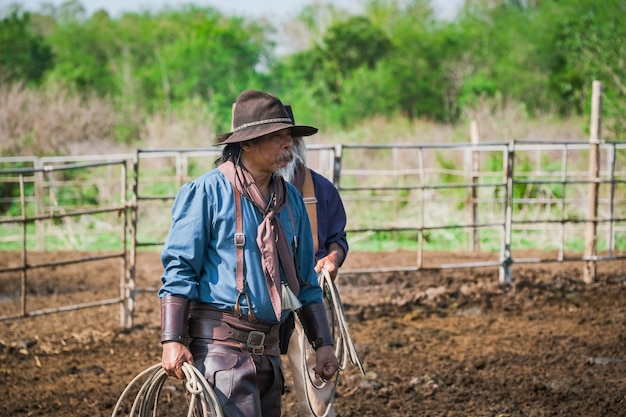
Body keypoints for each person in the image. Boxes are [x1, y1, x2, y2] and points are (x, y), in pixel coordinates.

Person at [158, 89, 340, 417]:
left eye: (289, 136)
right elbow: (180, 268)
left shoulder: (291, 201)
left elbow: (305, 280)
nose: (288, 144)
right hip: (220, 353)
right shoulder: (206, 193)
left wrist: (322, 344)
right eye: (276, 137)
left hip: (269, 355)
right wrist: (172, 339)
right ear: (247, 144)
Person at [277, 105, 348, 417]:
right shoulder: (229, 191)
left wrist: (333, 258)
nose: (282, 146)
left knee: (316, 377)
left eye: (286, 138)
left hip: (307, 292)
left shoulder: (321, 189)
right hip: (248, 301)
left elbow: (337, 237)